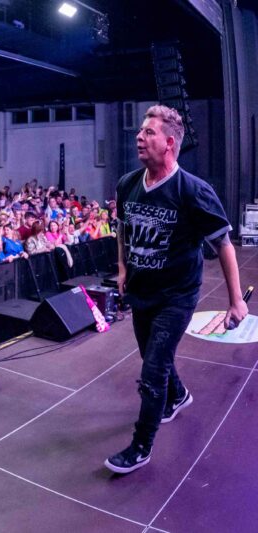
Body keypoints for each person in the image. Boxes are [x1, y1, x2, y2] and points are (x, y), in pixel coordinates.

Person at [105, 105, 249, 474]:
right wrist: (122, 268)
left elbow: (224, 245)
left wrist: (235, 301)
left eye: (149, 132)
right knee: (153, 357)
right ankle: (179, 395)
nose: (139, 137)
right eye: (141, 131)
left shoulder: (194, 191)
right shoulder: (127, 184)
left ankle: (141, 446)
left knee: (152, 370)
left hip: (177, 295)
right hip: (142, 291)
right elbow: (122, 229)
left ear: (170, 143)